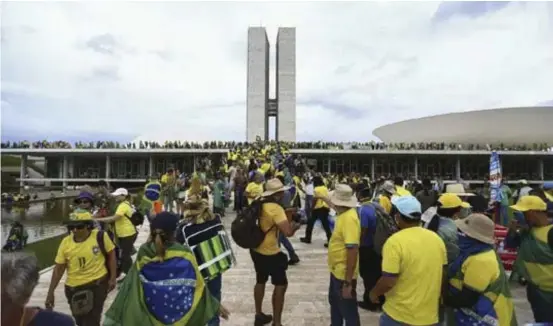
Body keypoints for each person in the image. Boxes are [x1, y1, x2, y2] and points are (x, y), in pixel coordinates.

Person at [103, 212, 230, 326]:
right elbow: (198, 285)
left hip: (150, 314)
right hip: (180, 316)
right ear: (175, 232)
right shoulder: (184, 253)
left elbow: (130, 284)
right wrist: (214, 305)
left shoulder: (144, 251)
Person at [369, 195, 447, 326]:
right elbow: (443, 273)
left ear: (398, 216)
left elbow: (388, 281)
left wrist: (374, 293)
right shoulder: (436, 239)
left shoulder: (394, 242)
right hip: (429, 316)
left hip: (399, 316)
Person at [444, 213, 517, 325]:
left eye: (461, 232)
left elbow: (467, 299)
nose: (458, 234)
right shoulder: (472, 252)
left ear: (471, 236)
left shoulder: (481, 260)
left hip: (486, 317)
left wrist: (441, 299)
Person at [46, 211, 117, 325]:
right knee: (80, 321)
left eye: (79, 227)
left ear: (88, 226)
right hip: (73, 289)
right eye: (72, 227)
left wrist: (112, 277)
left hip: (97, 285)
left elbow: (111, 255)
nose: (75, 230)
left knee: (92, 320)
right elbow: (59, 269)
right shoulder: (66, 243)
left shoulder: (100, 236)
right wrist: (50, 292)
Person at [250, 178, 301, 326]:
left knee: (260, 280)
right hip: (271, 251)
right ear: (277, 193)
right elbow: (288, 232)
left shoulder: (259, 201)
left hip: (256, 248)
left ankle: (258, 314)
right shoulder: (276, 208)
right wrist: (296, 225)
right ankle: (277, 322)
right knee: (281, 285)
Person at [507, 195, 553, 322]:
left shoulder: (550, 232)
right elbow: (510, 244)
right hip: (536, 291)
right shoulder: (527, 231)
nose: (520, 216)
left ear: (533, 213)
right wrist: (512, 230)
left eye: (523, 213)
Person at [326, 184, 361, 326]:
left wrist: (348, 283)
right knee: (335, 305)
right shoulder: (343, 214)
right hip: (336, 270)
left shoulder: (349, 219)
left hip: (343, 274)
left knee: (348, 310)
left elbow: (352, 250)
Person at [95, 188, 137, 282]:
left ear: (123, 196)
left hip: (127, 234)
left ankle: (131, 277)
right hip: (124, 234)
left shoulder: (123, 206)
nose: (115, 197)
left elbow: (114, 218)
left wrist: (98, 220)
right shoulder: (125, 204)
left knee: (124, 257)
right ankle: (129, 275)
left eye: (117, 195)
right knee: (125, 256)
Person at [355, 187, 382, 312]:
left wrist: (358, 243)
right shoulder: (376, 206)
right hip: (377, 245)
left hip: (366, 246)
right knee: (376, 273)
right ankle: (380, 298)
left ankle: (369, 301)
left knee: (367, 275)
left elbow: (364, 229)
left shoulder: (363, 210)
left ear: (360, 196)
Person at [301, 175, 332, 247]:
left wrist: (311, 208)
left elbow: (315, 199)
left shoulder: (316, 189)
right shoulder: (325, 188)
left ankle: (308, 238)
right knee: (326, 225)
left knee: (310, 223)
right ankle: (330, 240)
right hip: (325, 208)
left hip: (318, 208)